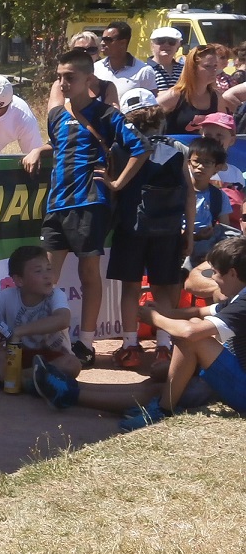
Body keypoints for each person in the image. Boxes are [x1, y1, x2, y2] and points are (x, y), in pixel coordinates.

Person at [24, 48, 147, 367]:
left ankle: (86, 344)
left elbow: (141, 147)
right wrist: (38, 149)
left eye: (70, 77)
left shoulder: (106, 115)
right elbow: (59, 144)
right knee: (46, 275)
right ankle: (46, 342)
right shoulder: (56, 114)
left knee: (88, 274)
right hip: (57, 203)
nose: (63, 83)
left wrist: (117, 183)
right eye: (59, 77)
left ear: (88, 79)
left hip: (90, 203)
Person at [105, 89, 191, 370]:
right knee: (162, 288)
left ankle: (130, 347)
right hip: (168, 229)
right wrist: (188, 232)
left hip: (131, 227)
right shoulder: (178, 148)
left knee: (130, 287)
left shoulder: (120, 149)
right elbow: (189, 194)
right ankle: (164, 347)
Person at [125, 236, 246, 430]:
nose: (213, 279)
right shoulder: (239, 296)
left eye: (215, 273)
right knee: (195, 325)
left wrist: (155, 318)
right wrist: (165, 312)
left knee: (193, 337)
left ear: (232, 273)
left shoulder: (243, 302)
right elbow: (198, 312)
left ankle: (164, 409)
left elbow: (189, 333)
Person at [0, 246, 81, 390]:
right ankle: (35, 380)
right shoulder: (6, 296)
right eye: (38, 271)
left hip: (52, 357)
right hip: (16, 356)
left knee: (73, 364)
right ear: (19, 280)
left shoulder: (56, 295)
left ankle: (18, 379)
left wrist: (19, 331)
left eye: (49, 269)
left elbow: (63, 319)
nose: (47, 275)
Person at [158, 43, 232, 135]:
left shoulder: (217, 97)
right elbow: (148, 116)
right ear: (193, 68)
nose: (214, 70)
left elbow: (225, 130)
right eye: (208, 66)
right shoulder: (175, 95)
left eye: (215, 66)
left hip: (206, 144)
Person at [188, 137, 231, 264]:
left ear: (217, 167)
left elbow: (225, 229)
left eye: (207, 162)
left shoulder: (219, 196)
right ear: (188, 163)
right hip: (176, 248)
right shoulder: (178, 192)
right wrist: (193, 236)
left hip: (206, 253)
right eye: (196, 161)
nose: (200, 166)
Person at [95, 21, 159, 98]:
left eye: (107, 40)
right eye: (102, 39)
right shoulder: (96, 68)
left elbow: (151, 102)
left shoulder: (144, 71)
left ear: (123, 43)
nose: (102, 43)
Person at [66, 32, 119, 107]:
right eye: (79, 50)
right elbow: (55, 113)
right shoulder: (60, 85)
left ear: (98, 54)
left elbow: (113, 113)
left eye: (91, 50)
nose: (85, 54)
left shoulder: (107, 88)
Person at [148, 26, 185, 92]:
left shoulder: (184, 70)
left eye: (171, 42)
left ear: (178, 47)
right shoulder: (144, 70)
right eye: (161, 41)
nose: (166, 45)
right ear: (152, 45)